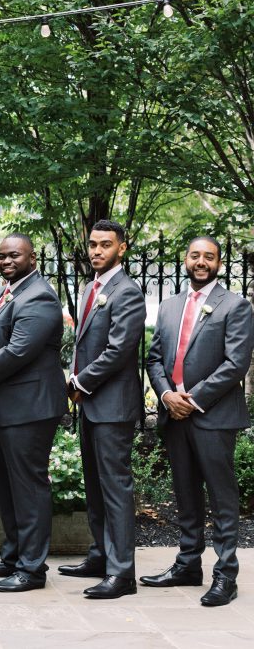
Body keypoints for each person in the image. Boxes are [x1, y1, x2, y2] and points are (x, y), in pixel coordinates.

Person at [143, 236, 253, 607]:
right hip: (174, 415)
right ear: (185, 259)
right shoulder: (170, 305)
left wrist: (193, 399)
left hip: (214, 416)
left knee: (222, 498)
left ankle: (226, 575)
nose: (201, 262)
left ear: (219, 263)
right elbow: (154, 358)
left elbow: (235, 363)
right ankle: (188, 565)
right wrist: (166, 395)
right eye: (195, 255)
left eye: (209, 256)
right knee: (185, 493)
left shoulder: (235, 306)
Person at [0, 233, 67, 592]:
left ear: (32, 257)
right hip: (2, 404)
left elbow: (18, 351)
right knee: (6, 485)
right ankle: (12, 556)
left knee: (28, 486)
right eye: (3, 256)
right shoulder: (2, 291)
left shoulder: (39, 296)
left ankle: (32, 569)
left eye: (15, 255)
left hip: (30, 408)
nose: (7, 261)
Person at [60, 220, 145, 599]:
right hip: (91, 405)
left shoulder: (127, 291)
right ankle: (99, 556)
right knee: (94, 486)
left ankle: (123, 573)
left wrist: (80, 381)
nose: (96, 251)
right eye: (93, 244)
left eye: (105, 245)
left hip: (112, 405)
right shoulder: (87, 288)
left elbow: (119, 349)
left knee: (115, 488)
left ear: (121, 249)